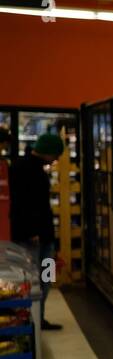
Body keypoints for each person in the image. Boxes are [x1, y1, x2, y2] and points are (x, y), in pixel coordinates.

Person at [8, 131, 63, 330]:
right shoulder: (24, 169)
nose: (56, 160)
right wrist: (32, 231)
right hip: (32, 237)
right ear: (48, 152)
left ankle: (38, 318)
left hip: (44, 237)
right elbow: (21, 204)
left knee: (46, 277)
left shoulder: (30, 168)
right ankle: (31, 320)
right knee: (34, 280)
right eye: (56, 155)